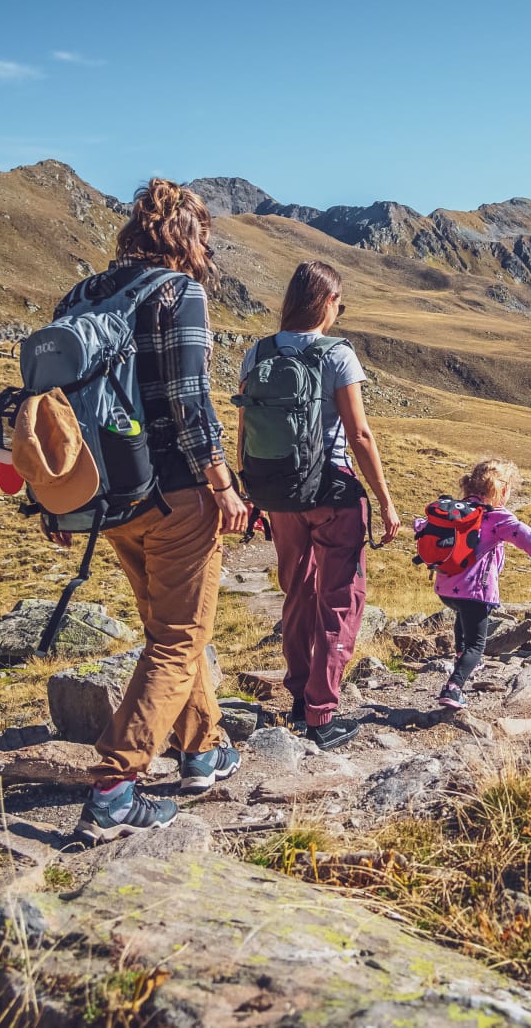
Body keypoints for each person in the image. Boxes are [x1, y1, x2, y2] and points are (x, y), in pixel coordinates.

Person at [76, 178, 251, 842]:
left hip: (109, 498)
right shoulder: (178, 293)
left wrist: (57, 502)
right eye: (204, 232)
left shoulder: (85, 295)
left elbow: (53, 406)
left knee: (173, 631)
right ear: (185, 234)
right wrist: (223, 485)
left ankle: (204, 748)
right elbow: (188, 400)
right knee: (177, 640)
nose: (209, 245)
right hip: (177, 494)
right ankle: (116, 788)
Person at [237, 261, 398, 752]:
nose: (338, 313)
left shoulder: (256, 353)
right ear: (328, 302)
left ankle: (297, 694)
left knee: (298, 592)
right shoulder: (337, 355)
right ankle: (321, 715)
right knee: (341, 597)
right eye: (339, 304)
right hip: (331, 490)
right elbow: (359, 434)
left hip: (279, 493)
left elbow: (244, 431)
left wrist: (250, 492)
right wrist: (386, 502)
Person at [416, 459, 531, 709]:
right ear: (502, 490)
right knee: (477, 644)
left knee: (463, 623)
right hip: (475, 592)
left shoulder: (455, 511)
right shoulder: (497, 517)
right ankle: (453, 688)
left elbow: (421, 526)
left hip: (446, 589)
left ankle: (463, 658)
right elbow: (527, 538)